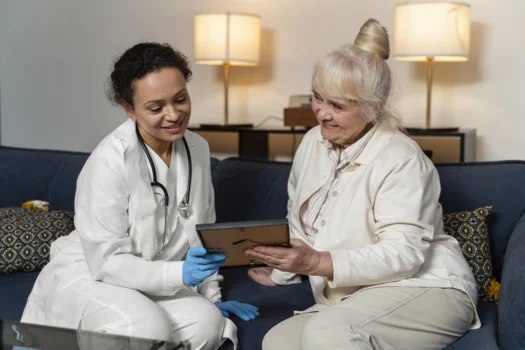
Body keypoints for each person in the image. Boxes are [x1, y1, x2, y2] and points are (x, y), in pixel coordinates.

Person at [246, 19, 479, 350]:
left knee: (326, 335)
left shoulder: (401, 157)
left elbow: (405, 254)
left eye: (338, 106)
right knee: (276, 342)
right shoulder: (312, 142)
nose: (322, 114)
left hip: (426, 287)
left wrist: (315, 263)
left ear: (374, 107)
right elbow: (298, 222)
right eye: (318, 98)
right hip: (350, 297)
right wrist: (284, 271)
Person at [21, 42, 258, 350]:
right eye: (156, 108)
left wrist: (210, 297)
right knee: (145, 327)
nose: (174, 115)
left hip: (156, 278)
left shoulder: (197, 148)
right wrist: (179, 272)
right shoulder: (109, 161)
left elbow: (204, 235)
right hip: (94, 277)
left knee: (207, 323)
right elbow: (107, 263)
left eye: (181, 99)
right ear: (128, 108)